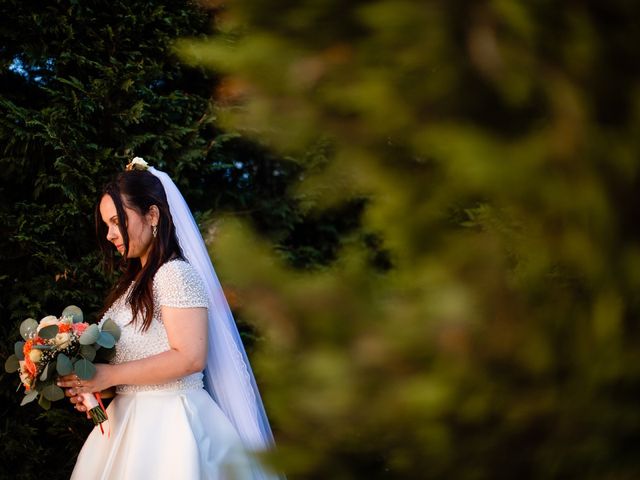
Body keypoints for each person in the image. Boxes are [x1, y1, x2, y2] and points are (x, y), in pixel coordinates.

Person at [57, 158, 277, 479]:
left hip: (172, 427)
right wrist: (96, 387)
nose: (110, 235)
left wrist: (108, 375)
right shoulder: (135, 285)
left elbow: (189, 357)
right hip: (129, 424)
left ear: (153, 215)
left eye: (117, 221)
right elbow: (139, 361)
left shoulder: (174, 274)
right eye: (106, 225)